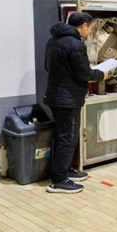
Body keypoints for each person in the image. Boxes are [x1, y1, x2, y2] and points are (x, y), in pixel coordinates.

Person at [44, 12, 108, 193]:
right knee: (68, 138)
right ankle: (59, 180)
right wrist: (101, 74)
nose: (90, 31)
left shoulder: (53, 41)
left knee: (62, 136)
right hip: (68, 99)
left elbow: (48, 67)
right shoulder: (75, 45)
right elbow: (85, 73)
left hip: (55, 96)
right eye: (90, 28)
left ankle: (64, 170)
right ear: (83, 26)